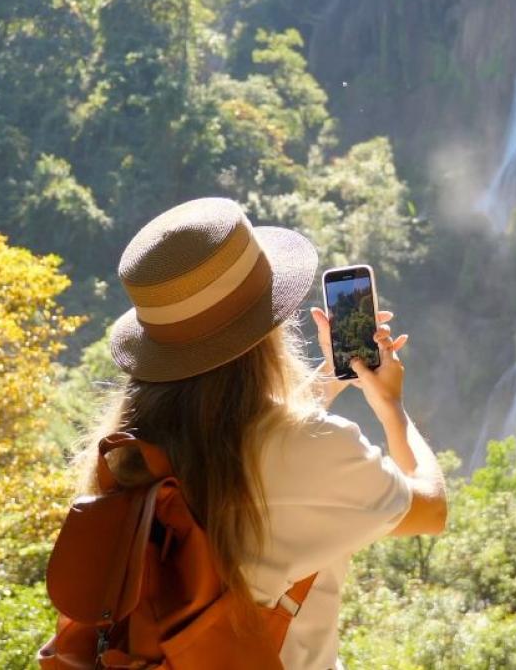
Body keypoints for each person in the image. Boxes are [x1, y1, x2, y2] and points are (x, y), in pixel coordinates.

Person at [75, 197, 447, 669]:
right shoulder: (315, 449)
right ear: (268, 328)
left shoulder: (128, 449)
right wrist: (391, 407)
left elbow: (252, 442)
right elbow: (431, 509)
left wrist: (326, 384)